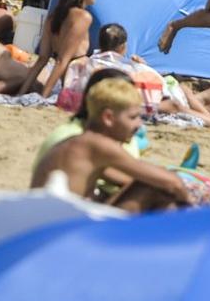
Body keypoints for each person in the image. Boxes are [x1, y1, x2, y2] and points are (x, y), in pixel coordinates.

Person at [30, 75, 191, 211]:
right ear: (108, 118)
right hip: (64, 235)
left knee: (155, 183)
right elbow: (173, 183)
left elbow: (125, 179)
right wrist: (192, 207)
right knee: (155, 186)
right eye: (133, 117)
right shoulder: (99, 145)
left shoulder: (81, 141)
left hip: (51, 224)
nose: (139, 125)